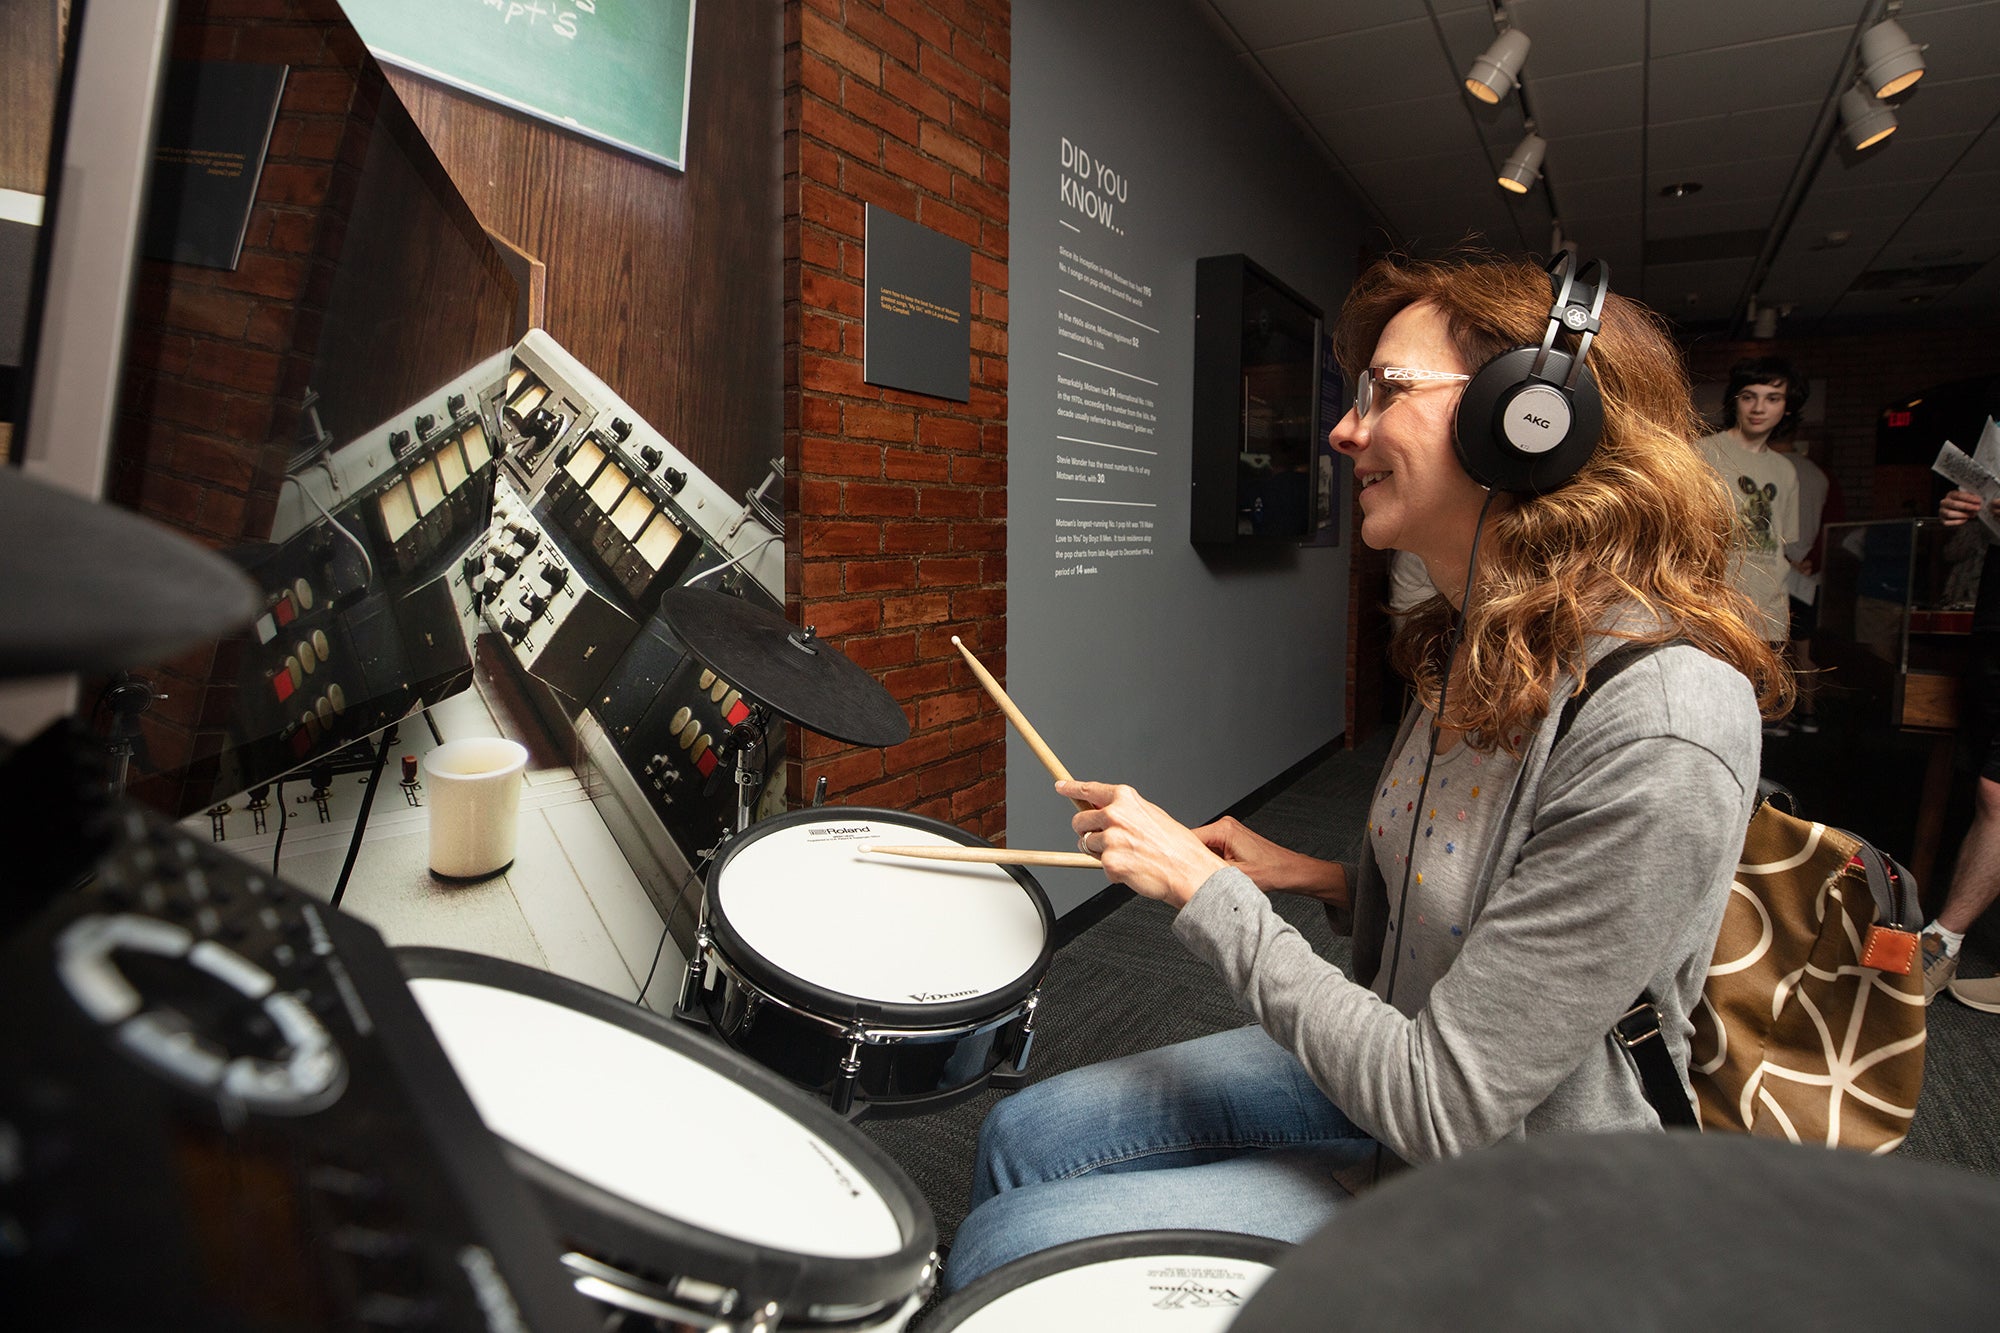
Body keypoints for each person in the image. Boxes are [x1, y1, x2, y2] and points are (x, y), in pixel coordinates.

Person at [941, 254, 1789, 1292]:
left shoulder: (1661, 723)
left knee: (1006, 1247)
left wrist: (1205, 893)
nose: (1344, 431)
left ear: (1526, 419)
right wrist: (1306, 875)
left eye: (1383, 392)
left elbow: (1446, 1101)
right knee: (1025, 1132)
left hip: (1518, 1188)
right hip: (1404, 1071)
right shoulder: (1476, 640)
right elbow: (1480, 894)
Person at [1928, 481, 2000, 1009]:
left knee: (1995, 792)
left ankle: (1942, 943)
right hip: (1991, 621)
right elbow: (1953, 550)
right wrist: (1965, 512)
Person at [1696, 360, 1804, 691]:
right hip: (1712, 611)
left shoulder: (1785, 470)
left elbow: (1779, 549)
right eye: (1749, 396)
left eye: (1773, 398)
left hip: (1766, 615)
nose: (1759, 408)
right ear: (1735, 401)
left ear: (1787, 407)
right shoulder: (1702, 453)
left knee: (1752, 711)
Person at [1771, 433, 1841, 734]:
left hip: (1773, 571)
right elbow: (1834, 524)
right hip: (1809, 575)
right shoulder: (1820, 475)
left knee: (1772, 648)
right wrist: (1815, 559)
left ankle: (1777, 715)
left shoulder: (1766, 470)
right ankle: (1808, 715)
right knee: (1804, 649)